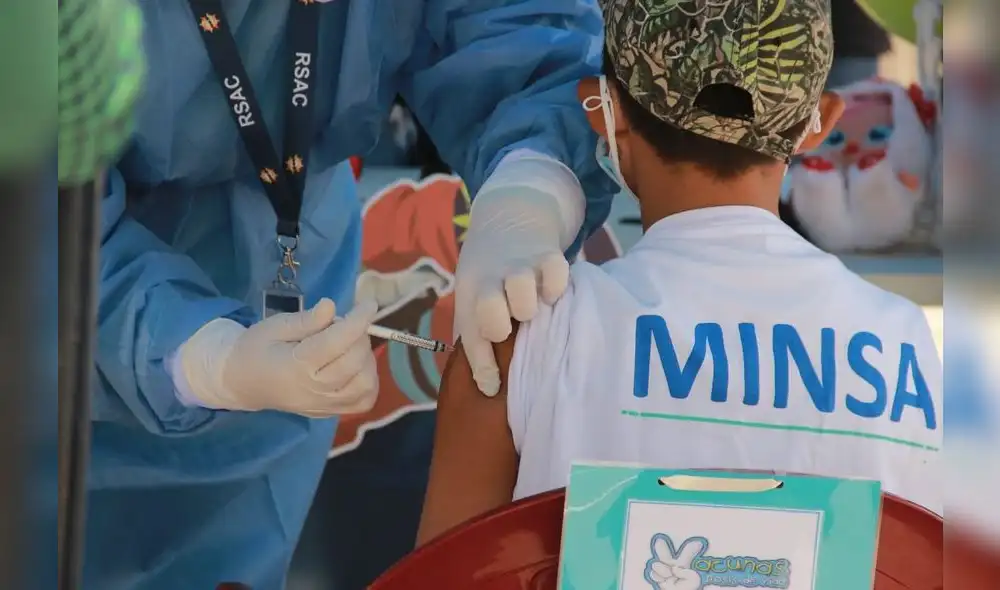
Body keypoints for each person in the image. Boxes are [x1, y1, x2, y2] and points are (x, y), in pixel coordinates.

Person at [90, 0, 614, 588]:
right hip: (65, 293)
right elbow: (33, 223)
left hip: (293, 241)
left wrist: (532, 183)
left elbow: (512, 22)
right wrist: (197, 357)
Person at [416, 0, 943, 545]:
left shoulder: (518, 334)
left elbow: (443, 571)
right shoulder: (907, 347)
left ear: (600, 110)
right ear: (821, 122)